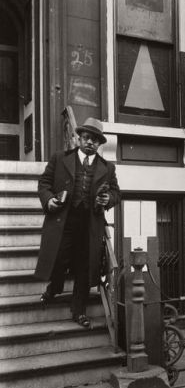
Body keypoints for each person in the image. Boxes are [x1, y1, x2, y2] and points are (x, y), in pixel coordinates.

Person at [35, 117, 121, 328]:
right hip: (62, 221)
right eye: (86, 138)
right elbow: (44, 183)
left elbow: (116, 192)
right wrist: (49, 200)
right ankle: (53, 288)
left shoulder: (107, 168)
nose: (90, 142)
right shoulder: (59, 158)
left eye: (95, 140)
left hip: (89, 225)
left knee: (84, 267)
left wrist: (107, 199)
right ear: (78, 138)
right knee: (58, 259)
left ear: (100, 144)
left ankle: (79, 311)